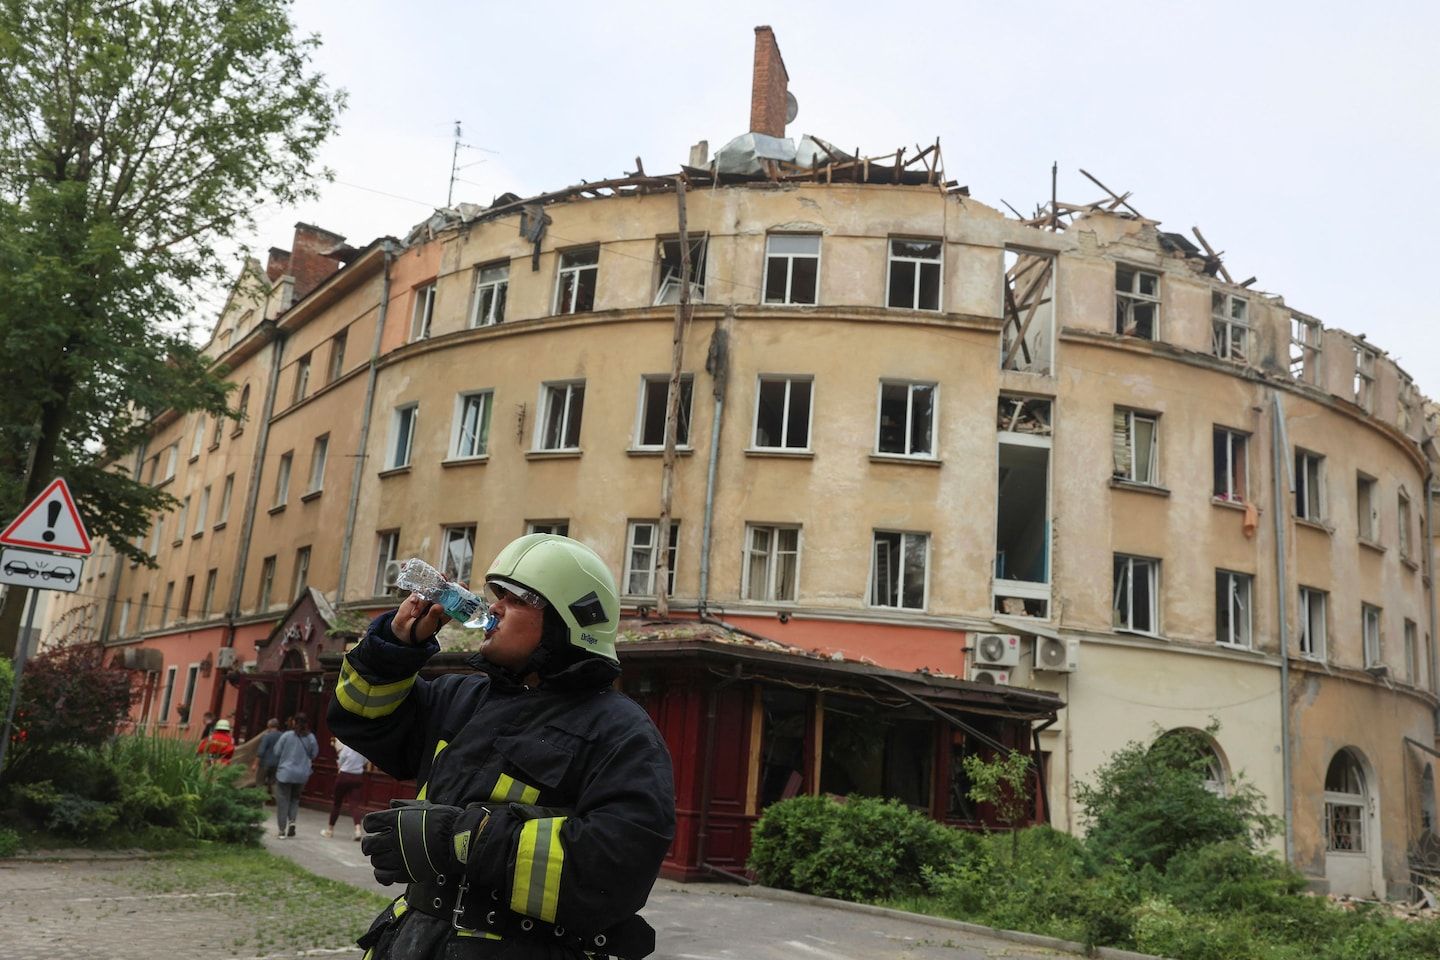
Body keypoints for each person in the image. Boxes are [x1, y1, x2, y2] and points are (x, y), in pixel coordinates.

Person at [329, 533, 675, 960]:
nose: (492, 607)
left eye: (515, 598)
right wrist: (396, 649)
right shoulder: (460, 697)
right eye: (496, 595)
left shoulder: (620, 731)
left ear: (570, 618)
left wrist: (460, 840)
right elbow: (360, 718)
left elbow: (616, 867)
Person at [272, 711, 318, 838]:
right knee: (295, 800)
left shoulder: (287, 736)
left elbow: (276, 751)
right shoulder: (311, 738)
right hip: (302, 774)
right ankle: (292, 821)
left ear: (293, 722)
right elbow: (314, 754)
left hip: (285, 773)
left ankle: (282, 831)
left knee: (283, 801)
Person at [322, 737, 369, 840]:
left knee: (337, 803)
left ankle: (330, 830)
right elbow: (366, 760)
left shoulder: (348, 746)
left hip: (344, 776)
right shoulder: (363, 747)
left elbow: (341, 759)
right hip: (357, 776)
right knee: (355, 805)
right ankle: (357, 830)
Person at [253, 718, 283, 802]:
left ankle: (259, 799)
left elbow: (261, 751)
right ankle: (273, 798)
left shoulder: (267, 736)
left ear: (269, 726)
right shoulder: (282, 736)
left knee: (260, 782)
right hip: (277, 763)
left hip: (265, 763)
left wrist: (255, 764)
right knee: (273, 781)